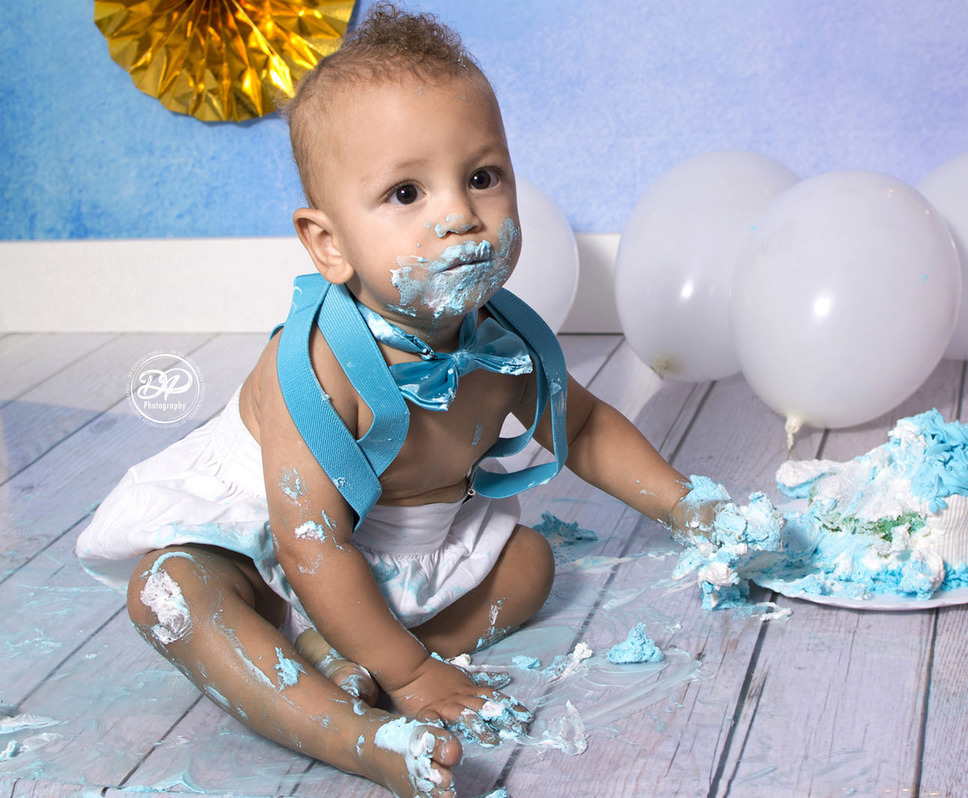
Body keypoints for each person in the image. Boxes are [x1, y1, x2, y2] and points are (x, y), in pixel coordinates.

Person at [75, 4, 706, 796]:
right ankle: (361, 734)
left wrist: (690, 508)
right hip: (276, 555)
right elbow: (310, 544)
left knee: (530, 564)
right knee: (168, 591)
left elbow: (582, 426)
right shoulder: (313, 367)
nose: (459, 214)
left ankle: (351, 659)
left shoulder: (502, 342)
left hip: (393, 562)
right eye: (406, 191)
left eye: (482, 176)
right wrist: (411, 677)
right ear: (328, 244)